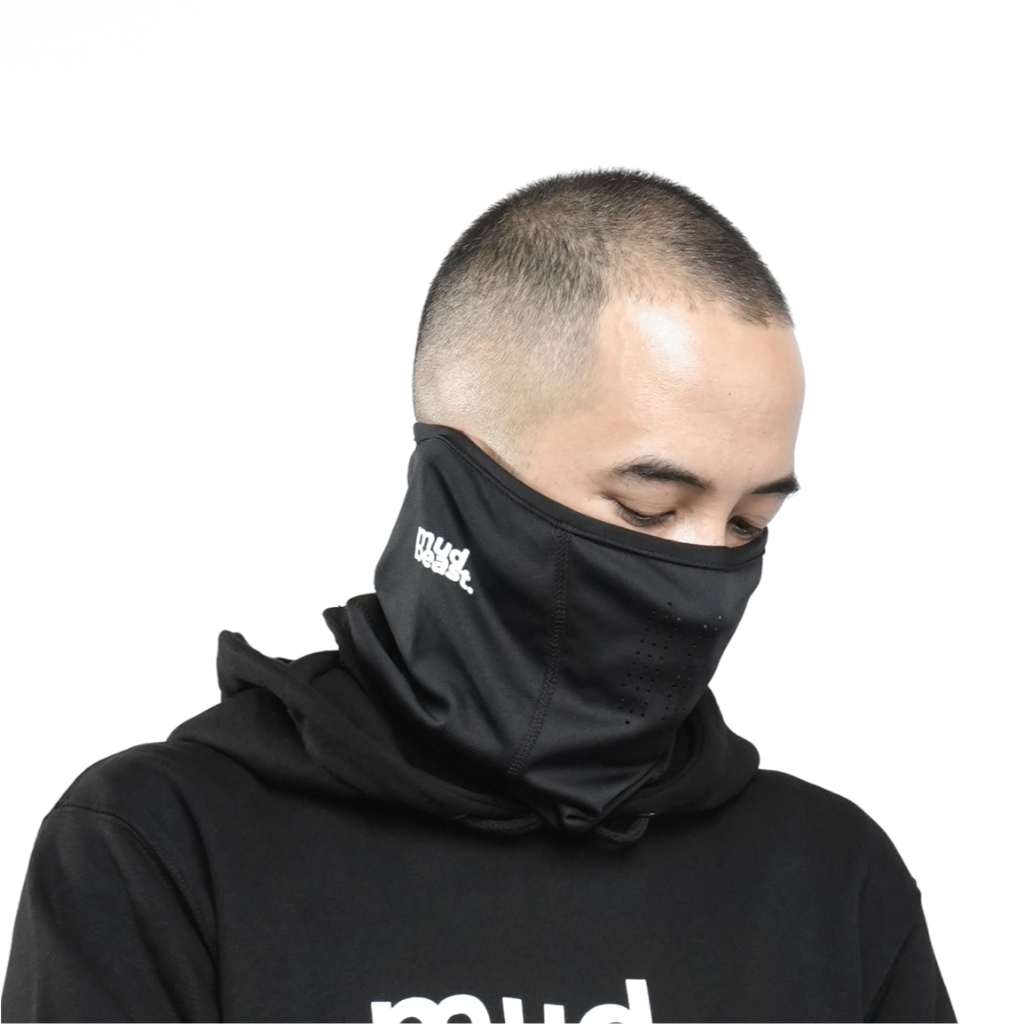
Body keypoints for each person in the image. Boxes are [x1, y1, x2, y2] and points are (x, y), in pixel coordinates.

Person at [2, 170, 954, 1023]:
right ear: (461, 493)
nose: (707, 574)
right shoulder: (163, 848)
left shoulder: (831, 880)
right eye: (650, 508)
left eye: (749, 522)